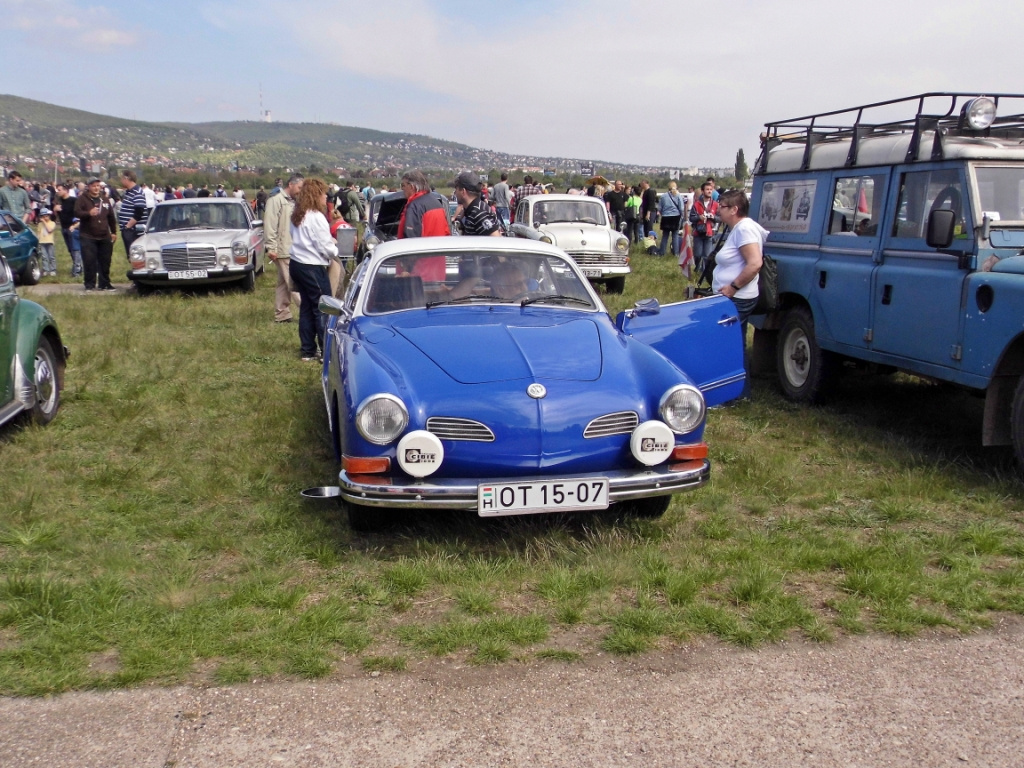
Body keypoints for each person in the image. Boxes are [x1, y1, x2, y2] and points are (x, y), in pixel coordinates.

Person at [713, 189, 767, 400]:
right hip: (734, 296)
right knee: (736, 342)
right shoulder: (738, 229)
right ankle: (739, 393)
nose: (718, 210)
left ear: (734, 209)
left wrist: (733, 287)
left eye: (722, 206)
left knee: (728, 343)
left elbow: (755, 263)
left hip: (738, 297)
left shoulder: (744, 230)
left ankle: (733, 393)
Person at [288, 178, 338, 362]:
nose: (326, 197)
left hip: (297, 263)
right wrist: (336, 250)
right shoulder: (316, 217)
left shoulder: (297, 214)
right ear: (316, 195)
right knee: (322, 308)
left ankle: (308, 350)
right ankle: (326, 352)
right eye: (324, 193)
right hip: (311, 266)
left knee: (307, 308)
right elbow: (324, 245)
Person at [264, 173, 304, 323]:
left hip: (291, 247)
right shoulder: (276, 201)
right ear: (291, 185)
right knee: (294, 283)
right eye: (299, 187)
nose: (301, 190)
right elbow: (270, 225)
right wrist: (271, 247)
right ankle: (309, 312)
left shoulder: (293, 201)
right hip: (283, 249)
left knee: (283, 283)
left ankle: (282, 314)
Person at [74, 177, 118, 291]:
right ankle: (89, 284)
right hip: (88, 235)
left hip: (104, 235)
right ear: (88, 187)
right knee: (89, 261)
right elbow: (76, 212)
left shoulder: (105, 199)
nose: (96, 188)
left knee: (105, 261)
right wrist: (88, 213)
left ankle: (105, 283)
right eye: (93, 186)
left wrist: (113, 232)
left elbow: (111, 217)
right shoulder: (82, 199)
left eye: (98, 186)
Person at [397, 170, 449, 239]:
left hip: (422, 247)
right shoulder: (436, 202)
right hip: (438, 247)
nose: (402, 188)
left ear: (412, 186)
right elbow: (446, 231)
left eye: (403, 185)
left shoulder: (414, 206)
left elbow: (411, 237)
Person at [453, 171, 500, 237]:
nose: (455, 192)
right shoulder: (472, 210)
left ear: (463, 192)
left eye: (456, 189)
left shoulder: (480, 213)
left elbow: (496, 239)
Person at [690, 181, 719, 275]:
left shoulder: (715, 204)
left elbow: (720, 218)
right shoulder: (696, 204)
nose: (709, 191)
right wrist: (699, 217)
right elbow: (691, 218)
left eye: (711, 189)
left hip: (709, 232)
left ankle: (705, 272)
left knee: (707, 255)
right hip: (698, 232)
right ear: (702, 191)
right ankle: (697, 269)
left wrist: (713, 217)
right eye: (707, 189)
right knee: (697, 254)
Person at [117, 171, 148, 258]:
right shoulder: (129, 192)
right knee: (130, 255)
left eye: (122, 179)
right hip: (130, 229)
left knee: (135, 255)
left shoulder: (137, 192)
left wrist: (128, 226)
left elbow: (139, 212)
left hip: (133, 230)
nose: (121, 181)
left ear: (127, 179)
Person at [656, 181, 685, 256]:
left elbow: (659, 208)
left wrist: (663, 214)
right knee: (675, 235)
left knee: (665, 236)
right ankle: (676, 253)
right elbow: (681, 208)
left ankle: (662, 252)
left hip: (666, 217)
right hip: (675, 217)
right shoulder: (678, 196)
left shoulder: (663, 196)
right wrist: (682, 216)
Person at [35, 208, 57, 276]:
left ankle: (53, 270)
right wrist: (37, 241)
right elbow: (38, 233)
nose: (45, 218)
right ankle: (46, 269)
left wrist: (44, 222)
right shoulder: (40, 224)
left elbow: (49, 230)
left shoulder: (52, 223)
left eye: (46, 216)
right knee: (44, 257)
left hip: (49, 242)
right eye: (43, 216)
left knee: (51, 256)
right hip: (42, 242)